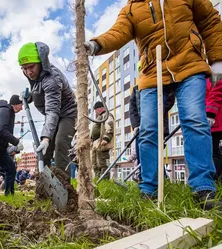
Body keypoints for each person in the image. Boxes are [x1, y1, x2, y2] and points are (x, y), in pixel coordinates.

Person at [83, 0, 222, 208]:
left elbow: (210, 21)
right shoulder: (131, 8)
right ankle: (149, 188)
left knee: (195, 120)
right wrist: (96, 44)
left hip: (190, 65)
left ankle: (203, 187)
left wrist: (217, 59)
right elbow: (118, 32)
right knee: (148, 130)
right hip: (151, 72)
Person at [18, 42, 77, 180]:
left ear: (41, 62)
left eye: (31, 67)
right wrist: (29, 96)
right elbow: (40, 92)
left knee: (61, 142)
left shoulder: (52, 79)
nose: (28, 72)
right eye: (24, 68)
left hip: (68, 114)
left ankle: (64, 188)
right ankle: (44, 185)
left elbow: (52, 109)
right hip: (53, 116)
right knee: (43, 152)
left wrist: (46, 138)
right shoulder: (34, 76)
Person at [129, 62, 175, 182]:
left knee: (156, 153)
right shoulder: (136, 89)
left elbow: (170, 99)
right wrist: (136, 125)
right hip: (141, 128)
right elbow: (132, 109)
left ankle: (162, 180)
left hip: (159, 124)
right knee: (142, 154)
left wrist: (155, 111)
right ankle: (145, 179)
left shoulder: (162, 83)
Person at [91, 102, 114, 179]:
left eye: (96, 110)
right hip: (96, 144)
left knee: (103, 164)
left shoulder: (107, 115)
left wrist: (106, 138)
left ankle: (105, 182)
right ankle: (97, 181)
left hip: (102, 144)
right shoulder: (100, 117)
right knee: (95, 164)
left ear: (101, 108)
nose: (95, 112)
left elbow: (110, 126)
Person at [206, 79, 222, 182]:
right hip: (211, 119)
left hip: (215, 119)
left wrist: (210, 113)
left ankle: (214, 182)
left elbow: (217, 92)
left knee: (213, 153)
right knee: (213, 152)